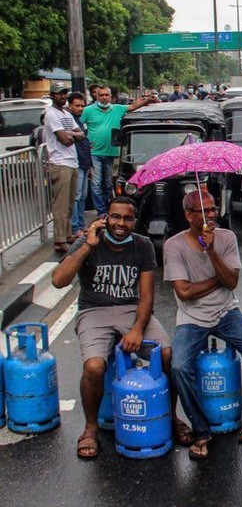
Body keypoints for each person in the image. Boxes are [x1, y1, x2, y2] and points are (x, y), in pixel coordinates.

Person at [51, 197, 189, 459]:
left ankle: (172, 416)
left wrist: (137, 329)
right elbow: (58, 280)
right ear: (106, 218)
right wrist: (87, 247)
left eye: (127, 219)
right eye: (115, 217)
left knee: (168, 355)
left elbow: (147, 296)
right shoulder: (89, 241)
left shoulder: (143, 245)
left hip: (131, 309)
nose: (121, 223)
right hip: (94, 311)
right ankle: (90, 428)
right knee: (94, 366)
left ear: (134, 222)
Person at [164, 191, 242, 460]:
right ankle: (201, 430)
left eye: (214, 209)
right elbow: (185, 293)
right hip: (191, 317)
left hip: (226, 311)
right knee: (178, 367)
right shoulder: (174, 246)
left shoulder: (226, 238)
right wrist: (219, 280)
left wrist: (211, 250)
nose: (212, 215)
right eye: (205, 211)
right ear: (189, 215)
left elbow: (232, 283)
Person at [80, 86, 155, 218]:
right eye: (101, 95)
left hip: (111, 152)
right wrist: (85, 142)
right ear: (96, 96)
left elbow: (132, 107)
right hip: (95, 153)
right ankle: (101, 211)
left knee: (108, 183)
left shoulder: (117, 109)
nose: (104, 98)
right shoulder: (88, 111)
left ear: (110, 96)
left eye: (106, 95)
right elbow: (77, 124)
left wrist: (147, 100)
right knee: (96, 183)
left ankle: (107, 207)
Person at [43, 83, 85, 253]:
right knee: (60, 204)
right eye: (59, 93)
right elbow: (64, 139)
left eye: (64, 93)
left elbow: (81, 134)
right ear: (52, 95)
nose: (62, 96)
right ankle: (59, 240)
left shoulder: (66, 113)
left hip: (72, 162)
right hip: (60, 163)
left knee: (69, 203)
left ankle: (68, 234)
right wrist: (74, 135)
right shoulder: (51, 114)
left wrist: (73, 135)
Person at [67, 92, 92, 239]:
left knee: (82, 196)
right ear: (70, 106)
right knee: (76, 196)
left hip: (84, 161)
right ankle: (75, 226)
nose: (81, 108)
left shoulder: (79, 121)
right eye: (77, 105)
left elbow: (84, 141)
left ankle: (81, 224)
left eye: (82, 105)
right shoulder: (69, 120)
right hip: (75, 162)